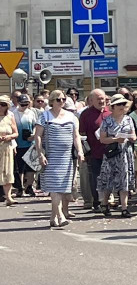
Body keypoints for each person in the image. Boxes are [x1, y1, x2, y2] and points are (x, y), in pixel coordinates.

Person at [35, 91, 84, 228]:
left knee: (62, 188)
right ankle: (61, 216)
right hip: (51, 157)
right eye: (58, 99)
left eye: (63, 99)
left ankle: (53, 217)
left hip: (66, 157)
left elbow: (76, 136)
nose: (61, 101)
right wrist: (40, 154)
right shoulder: (44, 116)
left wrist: (80, 151)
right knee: (55, 187)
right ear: (52, 101)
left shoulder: (71, 116)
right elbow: (38, 136)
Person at [97, 94, 136, 217]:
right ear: (113, 107)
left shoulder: (128, 119)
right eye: (119, 104)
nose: (122, 106)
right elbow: (102, 139)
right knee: (109, 179)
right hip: (112, 153)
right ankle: (104, 203)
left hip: (125, 153)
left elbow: (134, 135)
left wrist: (132, 138)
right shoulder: (107, 121)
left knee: (124, 179)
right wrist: (115, 139)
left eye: (123, 104)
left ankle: (124, 208)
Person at [79, 88, 108, 210]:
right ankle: (97, 201)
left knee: (109, 176)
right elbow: (81, 134)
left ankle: (106, 200)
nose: (101, 101)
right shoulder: (86, 114)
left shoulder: (110, 112)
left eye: (103, 98)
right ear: (91, 100)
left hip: (110, 151)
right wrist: (85, 152)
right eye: (98, 99)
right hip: (94, 153)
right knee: (96, 177)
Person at [13, 93, 40, 197]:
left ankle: (29, 186)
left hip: (30, 143)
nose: (25, 106)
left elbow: (35, 125)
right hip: (19, 143)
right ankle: (20, 187)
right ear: (18, 103)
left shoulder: (31, 113)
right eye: (22, 104)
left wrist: (33, 134)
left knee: (31, 167)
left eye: (27, 104)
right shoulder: (14, 113)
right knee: (20, 168)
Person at [0, 96, 19, 206]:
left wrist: (9, 137)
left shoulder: (10, 116)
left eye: (3, 104)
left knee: (7, 172)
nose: (0, 106)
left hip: (7, 147)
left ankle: (8, 197)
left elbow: (16, 133)